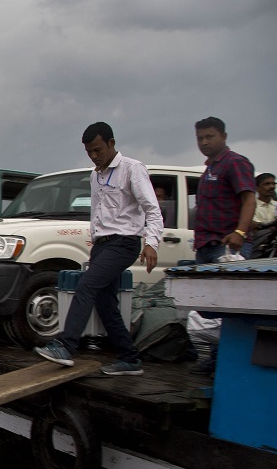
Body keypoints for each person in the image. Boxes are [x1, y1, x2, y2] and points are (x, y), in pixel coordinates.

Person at [35, 122, 163, 376]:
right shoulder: (96, 175)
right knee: (105, 304)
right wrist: (95, 241)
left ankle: (65, 345)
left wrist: (151, 243)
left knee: (86, 285)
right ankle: (130, 358)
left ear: (112, 143)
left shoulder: (131, 169)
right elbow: (97, 212)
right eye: (89, 152)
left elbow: (152, 208)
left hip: (125, 242)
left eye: (97, 150)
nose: (94, 156)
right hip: (103, 245)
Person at [190, 117, 256, 374]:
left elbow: (249, 199)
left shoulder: (235, 163)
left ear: (223, 137)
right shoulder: (209, 170)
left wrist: (240, 231)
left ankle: (228, 362)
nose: (204, 142)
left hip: (228, 247)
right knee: (212, 308)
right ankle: (218, 359)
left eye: (210, 137)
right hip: (206, 246)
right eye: (200, 138)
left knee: (230, 307)